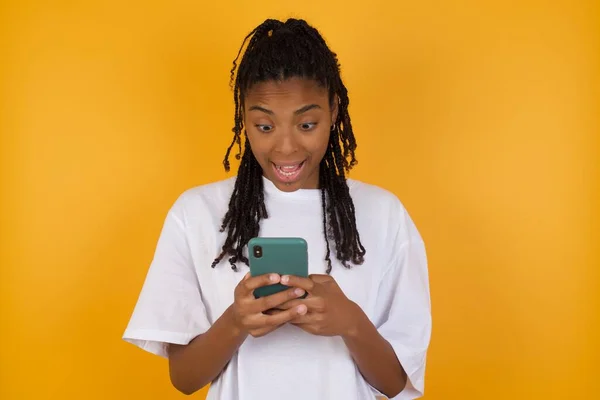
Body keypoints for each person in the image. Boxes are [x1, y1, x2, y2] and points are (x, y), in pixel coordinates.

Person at [123, 18, 431, 400]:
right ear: (244, 118)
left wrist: (352, 323)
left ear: (334, 110)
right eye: (264, 126)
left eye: (306, 123)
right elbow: (184, 379)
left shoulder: (384, 214)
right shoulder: (196, 213)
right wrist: (236, 322)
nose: (286, 148)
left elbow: (398, 384)